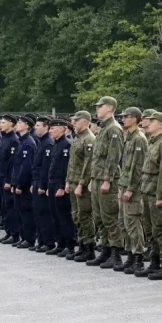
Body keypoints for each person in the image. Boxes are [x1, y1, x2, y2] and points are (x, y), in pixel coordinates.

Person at [88, 96, 125, 267]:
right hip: (97, 177)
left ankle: (116, 253)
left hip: (107, 179)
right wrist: (92, 178)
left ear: (109, 108)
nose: (97, 109)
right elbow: (96, 157)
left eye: (100, 106)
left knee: (110, 216)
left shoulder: (114, 128)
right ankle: (106, 250)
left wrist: (107, 180)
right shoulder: (103, 128)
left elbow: (113, 157)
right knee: (99, 217)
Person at [140, 112, 162, 281]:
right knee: (150, 229)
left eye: (153, 121)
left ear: (161, 124)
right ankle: (154, 262)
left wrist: (161, 195)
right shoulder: (153, 141)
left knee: (161, 229)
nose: (148, 124)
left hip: (157, 193)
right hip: (147, 191)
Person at [115, 108, 147, 274]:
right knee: (124, 223)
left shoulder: (139, 139)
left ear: (135, 119)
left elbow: (138, 167)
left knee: (133, 224)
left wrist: (131, 188)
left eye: (126, 117)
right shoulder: (129, 137)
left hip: (132, 188)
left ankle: (138, 257)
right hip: (124, 184)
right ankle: (130, 255)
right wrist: (122, 186)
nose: (123, 119)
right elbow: (126, 165)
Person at [66, 111, 97, 262]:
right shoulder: (78, 138)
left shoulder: (89, 139)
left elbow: (88, 165)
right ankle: (82, 245)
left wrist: (81, 184)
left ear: (85, 121)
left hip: (81, 184)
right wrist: (67, 181)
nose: (73, 123)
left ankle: (89, 248)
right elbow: (72, 163)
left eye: (76, 120)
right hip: (73, 181)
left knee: (85, 215)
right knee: (76, 215)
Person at [47, 118, 77, 257]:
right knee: (55, 216)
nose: (50, 131)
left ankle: (70, 245)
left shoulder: (67, 145)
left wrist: (61, 186)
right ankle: (60, 244)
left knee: (64, 217)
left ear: (62, 129)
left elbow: (65, 168)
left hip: (61, 185)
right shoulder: (56, 144)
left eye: (53, 128)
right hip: (53, 183)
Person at [11, 116, 38, 249]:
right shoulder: (21, 141)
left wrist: (20, 184)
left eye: (20, 123)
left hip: (25, 185)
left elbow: (27, 167)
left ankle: (29, 238)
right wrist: (14, 182)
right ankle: (23, 237)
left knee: (26, 212)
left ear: (27, 126)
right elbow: (16, 165)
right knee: (20, 211)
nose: (17, 124)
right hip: (18, 182)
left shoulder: (28, 142)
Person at [32, 116, 57, 252]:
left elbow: (46, 167)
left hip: (43, 182)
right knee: (38, 212)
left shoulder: (48, 143)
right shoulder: (41, 141)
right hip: (37, 181)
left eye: (38, 125)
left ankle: (49, 242)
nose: (36, 128)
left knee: (44, 213)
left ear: (46, 127)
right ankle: (41, 240)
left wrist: (43, 185)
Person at [0, 115, 21, 243]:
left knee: (10, 207)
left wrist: (8, 181)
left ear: (11, 124)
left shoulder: (14, 140)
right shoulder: (4, 137)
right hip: (1, 176)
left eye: (4, 122)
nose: (1, 124)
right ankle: (8, 232)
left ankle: (14, 234)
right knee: (4, 206)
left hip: (7, 178)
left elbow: (12, 163)